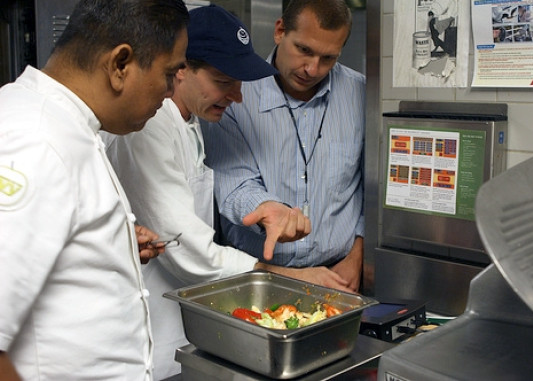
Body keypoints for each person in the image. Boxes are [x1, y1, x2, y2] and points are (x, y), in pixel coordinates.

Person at [102, 5, 356, 379]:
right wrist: (276, 276)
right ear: (182, 69)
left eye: (239, 83)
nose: (237, 97)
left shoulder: (190, 125)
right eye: (224, 81)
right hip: (146, 341)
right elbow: (187, 249)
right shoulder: (151, 128)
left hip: (182, 329)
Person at [0, 0, 189, 379]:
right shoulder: (37, 140)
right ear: (120, 64)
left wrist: (105, 244)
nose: (170, 92)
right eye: (169, 74)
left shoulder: (64, 124)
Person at [203, 0, 365, 292]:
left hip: (339, 277)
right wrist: (267, 209)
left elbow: (373, 188)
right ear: (280, 31)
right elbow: (233, 185)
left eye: (328, 58)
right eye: (304, 50)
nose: (312, 69)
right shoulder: (236, 96)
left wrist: (357, 255)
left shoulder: (361, 93)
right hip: (257, 276)